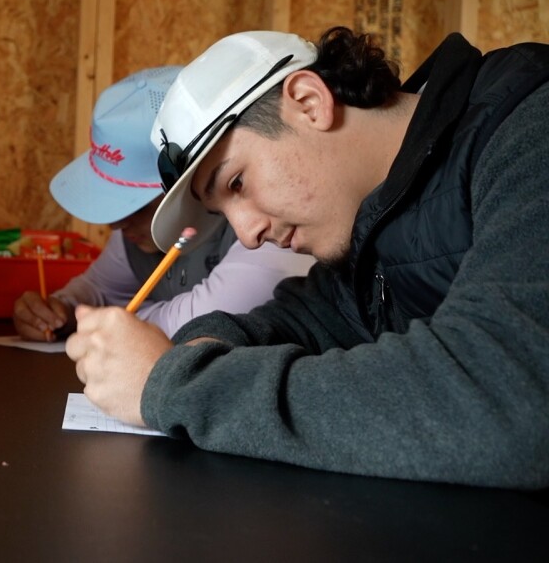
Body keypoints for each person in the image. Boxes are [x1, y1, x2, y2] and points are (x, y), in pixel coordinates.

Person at [64, 27, 549, 489]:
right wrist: (200, 344)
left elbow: (512, 404)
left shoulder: (529, 126)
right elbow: (296, 318)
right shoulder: (376, 230)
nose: (248, 235)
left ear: (308, 102)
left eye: (237, 183)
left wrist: (174, 383)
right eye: (225, 211)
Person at [13, 66, 313, 342]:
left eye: (135, 205)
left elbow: (210, 320)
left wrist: (97, 320)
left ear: (189, 181)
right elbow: (96, 292)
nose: (115, 224)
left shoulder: (271, 225)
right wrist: (57, 312)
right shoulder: (135, 234)